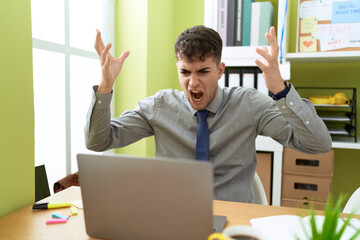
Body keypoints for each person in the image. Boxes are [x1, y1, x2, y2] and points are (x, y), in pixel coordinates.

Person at [85, 25, 332, 203]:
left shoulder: (249, 104)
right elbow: (98, 141)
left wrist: (280, 90)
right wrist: (105, 85)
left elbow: (317, 144)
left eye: (203, 71)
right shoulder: (160, 106)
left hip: (234, 220)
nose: (193, 83)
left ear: (220, 70)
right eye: (185, 72)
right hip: (174, 217)